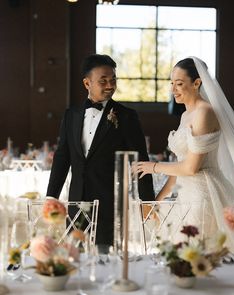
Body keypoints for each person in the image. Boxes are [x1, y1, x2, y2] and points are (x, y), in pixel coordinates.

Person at [47, 54, 154, 246]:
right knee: (75, 256)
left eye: (113, 80)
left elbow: (140, 161)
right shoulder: (71, 115)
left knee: (106, 258)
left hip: (109, 204)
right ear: (87, 83)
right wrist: (51, 196)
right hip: (76, 202)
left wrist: (148, 202)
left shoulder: (127, 116)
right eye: (103, 81)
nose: (110, 86)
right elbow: (62, 157)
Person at [136, 57, 234, 253]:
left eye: (179, 84)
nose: (173, 89)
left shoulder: (204, 112)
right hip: (183, 194)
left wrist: (152, 167)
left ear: (197, 83)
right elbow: (179, 166)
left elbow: (191, 167)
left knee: (199, 252)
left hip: (202, 194)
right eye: (171, 83)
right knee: (180, 254)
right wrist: (157, 201)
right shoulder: (185, 115)